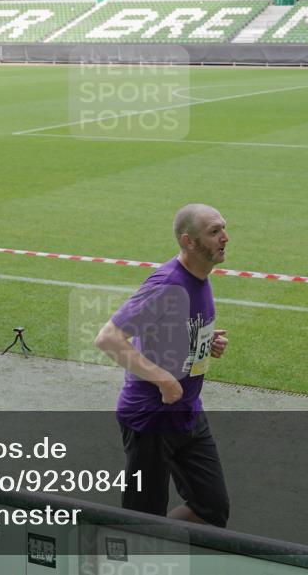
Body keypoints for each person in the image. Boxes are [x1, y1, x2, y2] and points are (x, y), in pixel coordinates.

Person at [94, 203, 231, 527]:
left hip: (187, 412)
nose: (225, 237)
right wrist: (164, 381)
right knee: (142, 520)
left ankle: (149, 548)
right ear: (189, 241)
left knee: (211, 509)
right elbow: (109, 338)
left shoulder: (201, 276)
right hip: (151, 419)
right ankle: (120, 557)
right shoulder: (168, 284)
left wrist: (203, 342)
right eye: (214, 231)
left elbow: (167, 331)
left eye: (224, 228)